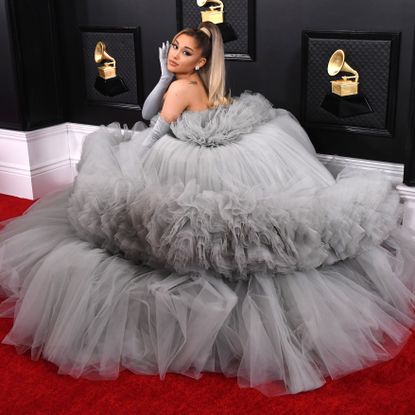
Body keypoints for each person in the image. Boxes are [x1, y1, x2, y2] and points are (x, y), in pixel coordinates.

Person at [0, 21, 414, 397]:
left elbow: (150, 121)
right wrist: (165, 75)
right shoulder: (195, 80)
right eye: (174, 49)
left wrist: (137, 146)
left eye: (183, 52)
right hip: (203, 138)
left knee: (168, 214)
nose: (175, 56)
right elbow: (160, 112)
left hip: (182, 147)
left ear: (201, 59)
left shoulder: (180, 87)